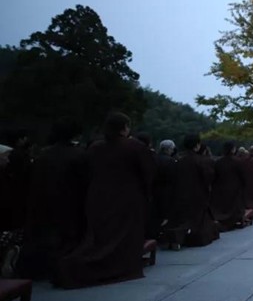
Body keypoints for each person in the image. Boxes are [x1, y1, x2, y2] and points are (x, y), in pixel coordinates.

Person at [55, 112, 154, 289]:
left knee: (99, 237)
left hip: (97, 197)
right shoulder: (135, 147)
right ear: (125, 128)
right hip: (127, 198)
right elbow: (148, 174)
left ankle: (76, 265)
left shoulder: (95, 147)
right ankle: (113, 267)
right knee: (123, 238)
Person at [18, 118, 88, 280]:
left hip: (41, 203)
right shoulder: (79, 155)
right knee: (66, 241)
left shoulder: (43, 155)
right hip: (70, 205)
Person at [165, 134, 219, 248]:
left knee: (182, 218)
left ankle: (177, 237)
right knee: (198, 221)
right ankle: (187, 236)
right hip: (198, 195)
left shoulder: (178, 160)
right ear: (197, 145)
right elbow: (209, 177)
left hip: (180, 195)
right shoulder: (201, 160)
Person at [210, 141, 247, 231]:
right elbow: (243, 176)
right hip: (235, 189)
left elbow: (214, 177)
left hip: (221, 189)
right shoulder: (238, 162)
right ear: (233, 150)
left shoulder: (218, 162)